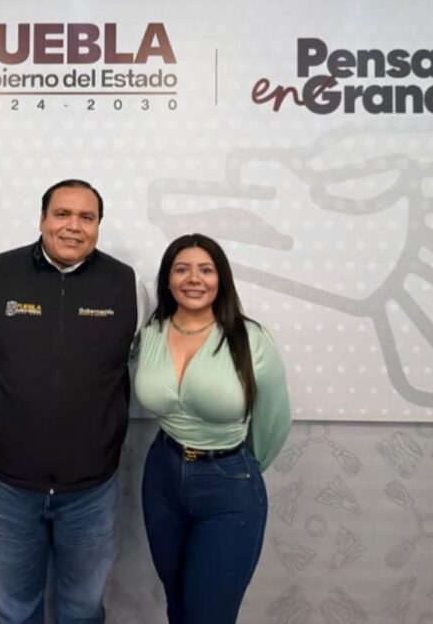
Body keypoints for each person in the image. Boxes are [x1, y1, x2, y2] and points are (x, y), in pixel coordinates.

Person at [0, 179, 150, 624]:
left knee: (82, 609)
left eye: (87, 217)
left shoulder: (127, 285)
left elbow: (131, 354)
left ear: (99, 225)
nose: (73, 226)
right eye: (62, 214)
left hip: (91, 490)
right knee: (12, 609)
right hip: (9, 486)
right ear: (42, 219)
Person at [134, 233, 291, 624]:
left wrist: (237, 469)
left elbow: (274, 420)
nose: (194, 279)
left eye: (206, 270)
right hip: (162, 477)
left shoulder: (250, 339)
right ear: (168, 280)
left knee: (208, 615)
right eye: (182, 269)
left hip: (229, 487)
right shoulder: (150, 332)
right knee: (178, 606)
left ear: (221, 279)